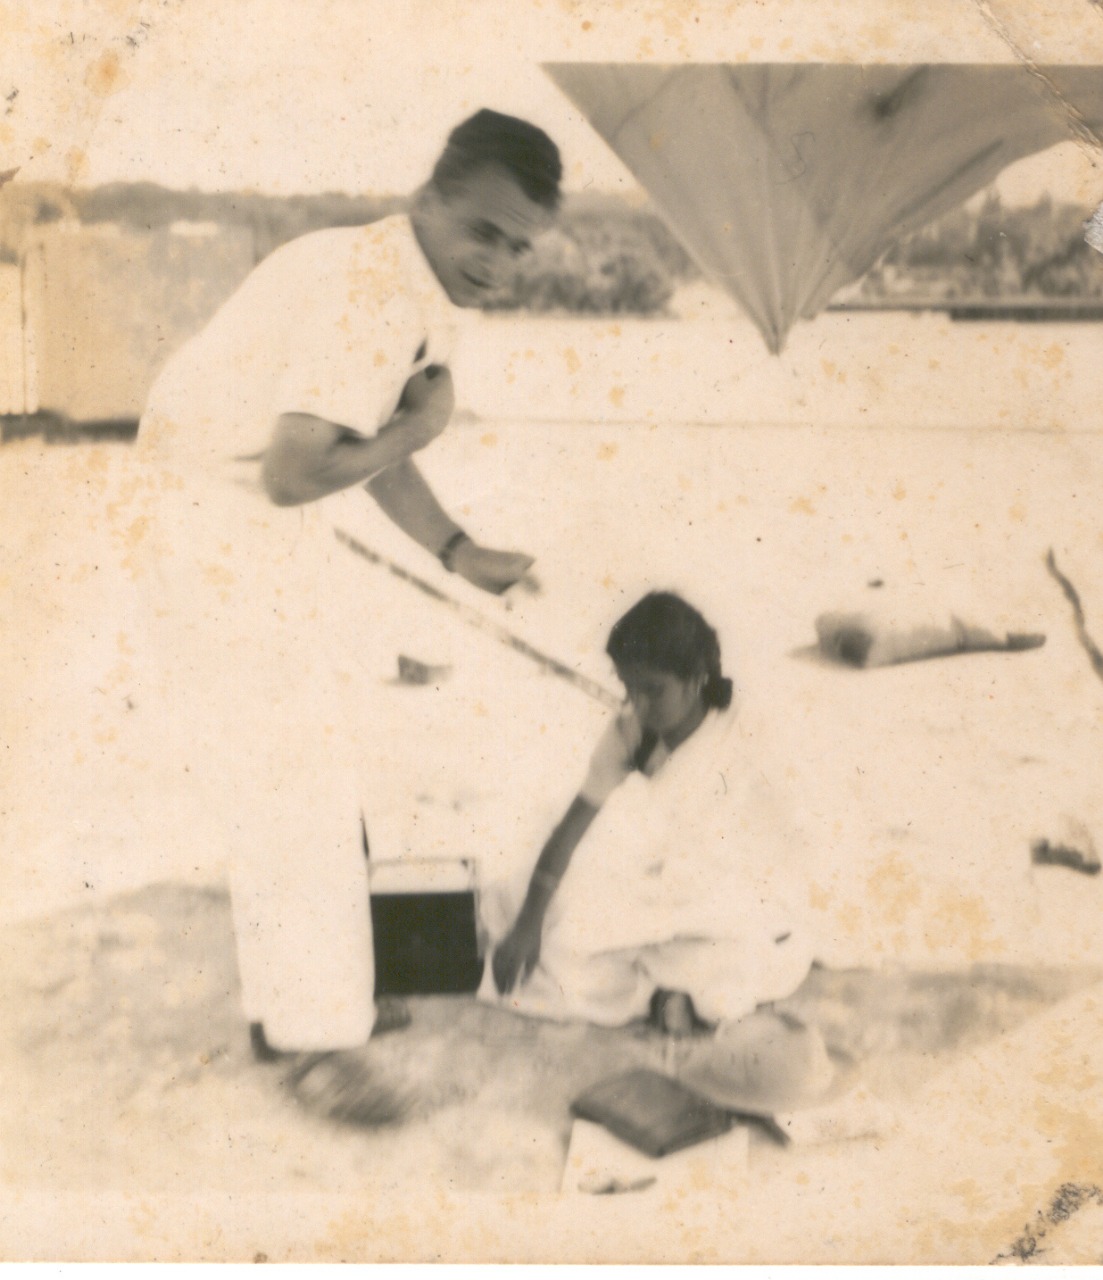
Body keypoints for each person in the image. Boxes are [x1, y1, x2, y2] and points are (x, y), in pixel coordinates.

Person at [133, 110, 562, 1061]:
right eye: (482, 233)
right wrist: (421, 429)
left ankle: (313, 999)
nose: (497, 262)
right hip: (214, 516)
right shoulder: (371, 295)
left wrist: (456, 549)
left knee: (294, 771)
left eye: (519, 247)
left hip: (232, 510)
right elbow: (301, 469)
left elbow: (349, 443)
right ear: (428, 200)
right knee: (296, 780)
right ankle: (315, 1035)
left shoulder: (407, 273)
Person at [490, 592, 832, 1106]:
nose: (638, 706)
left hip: (736, 892)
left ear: (696, 679)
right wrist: (528, 922)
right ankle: (663, 992)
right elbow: (574, 823)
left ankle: (671, 989)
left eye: (653, 691)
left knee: (735, 961)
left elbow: (787, 850)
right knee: (518, 902)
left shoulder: (748, 733)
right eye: (628, 689)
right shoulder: (632, 728)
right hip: (659, 886)